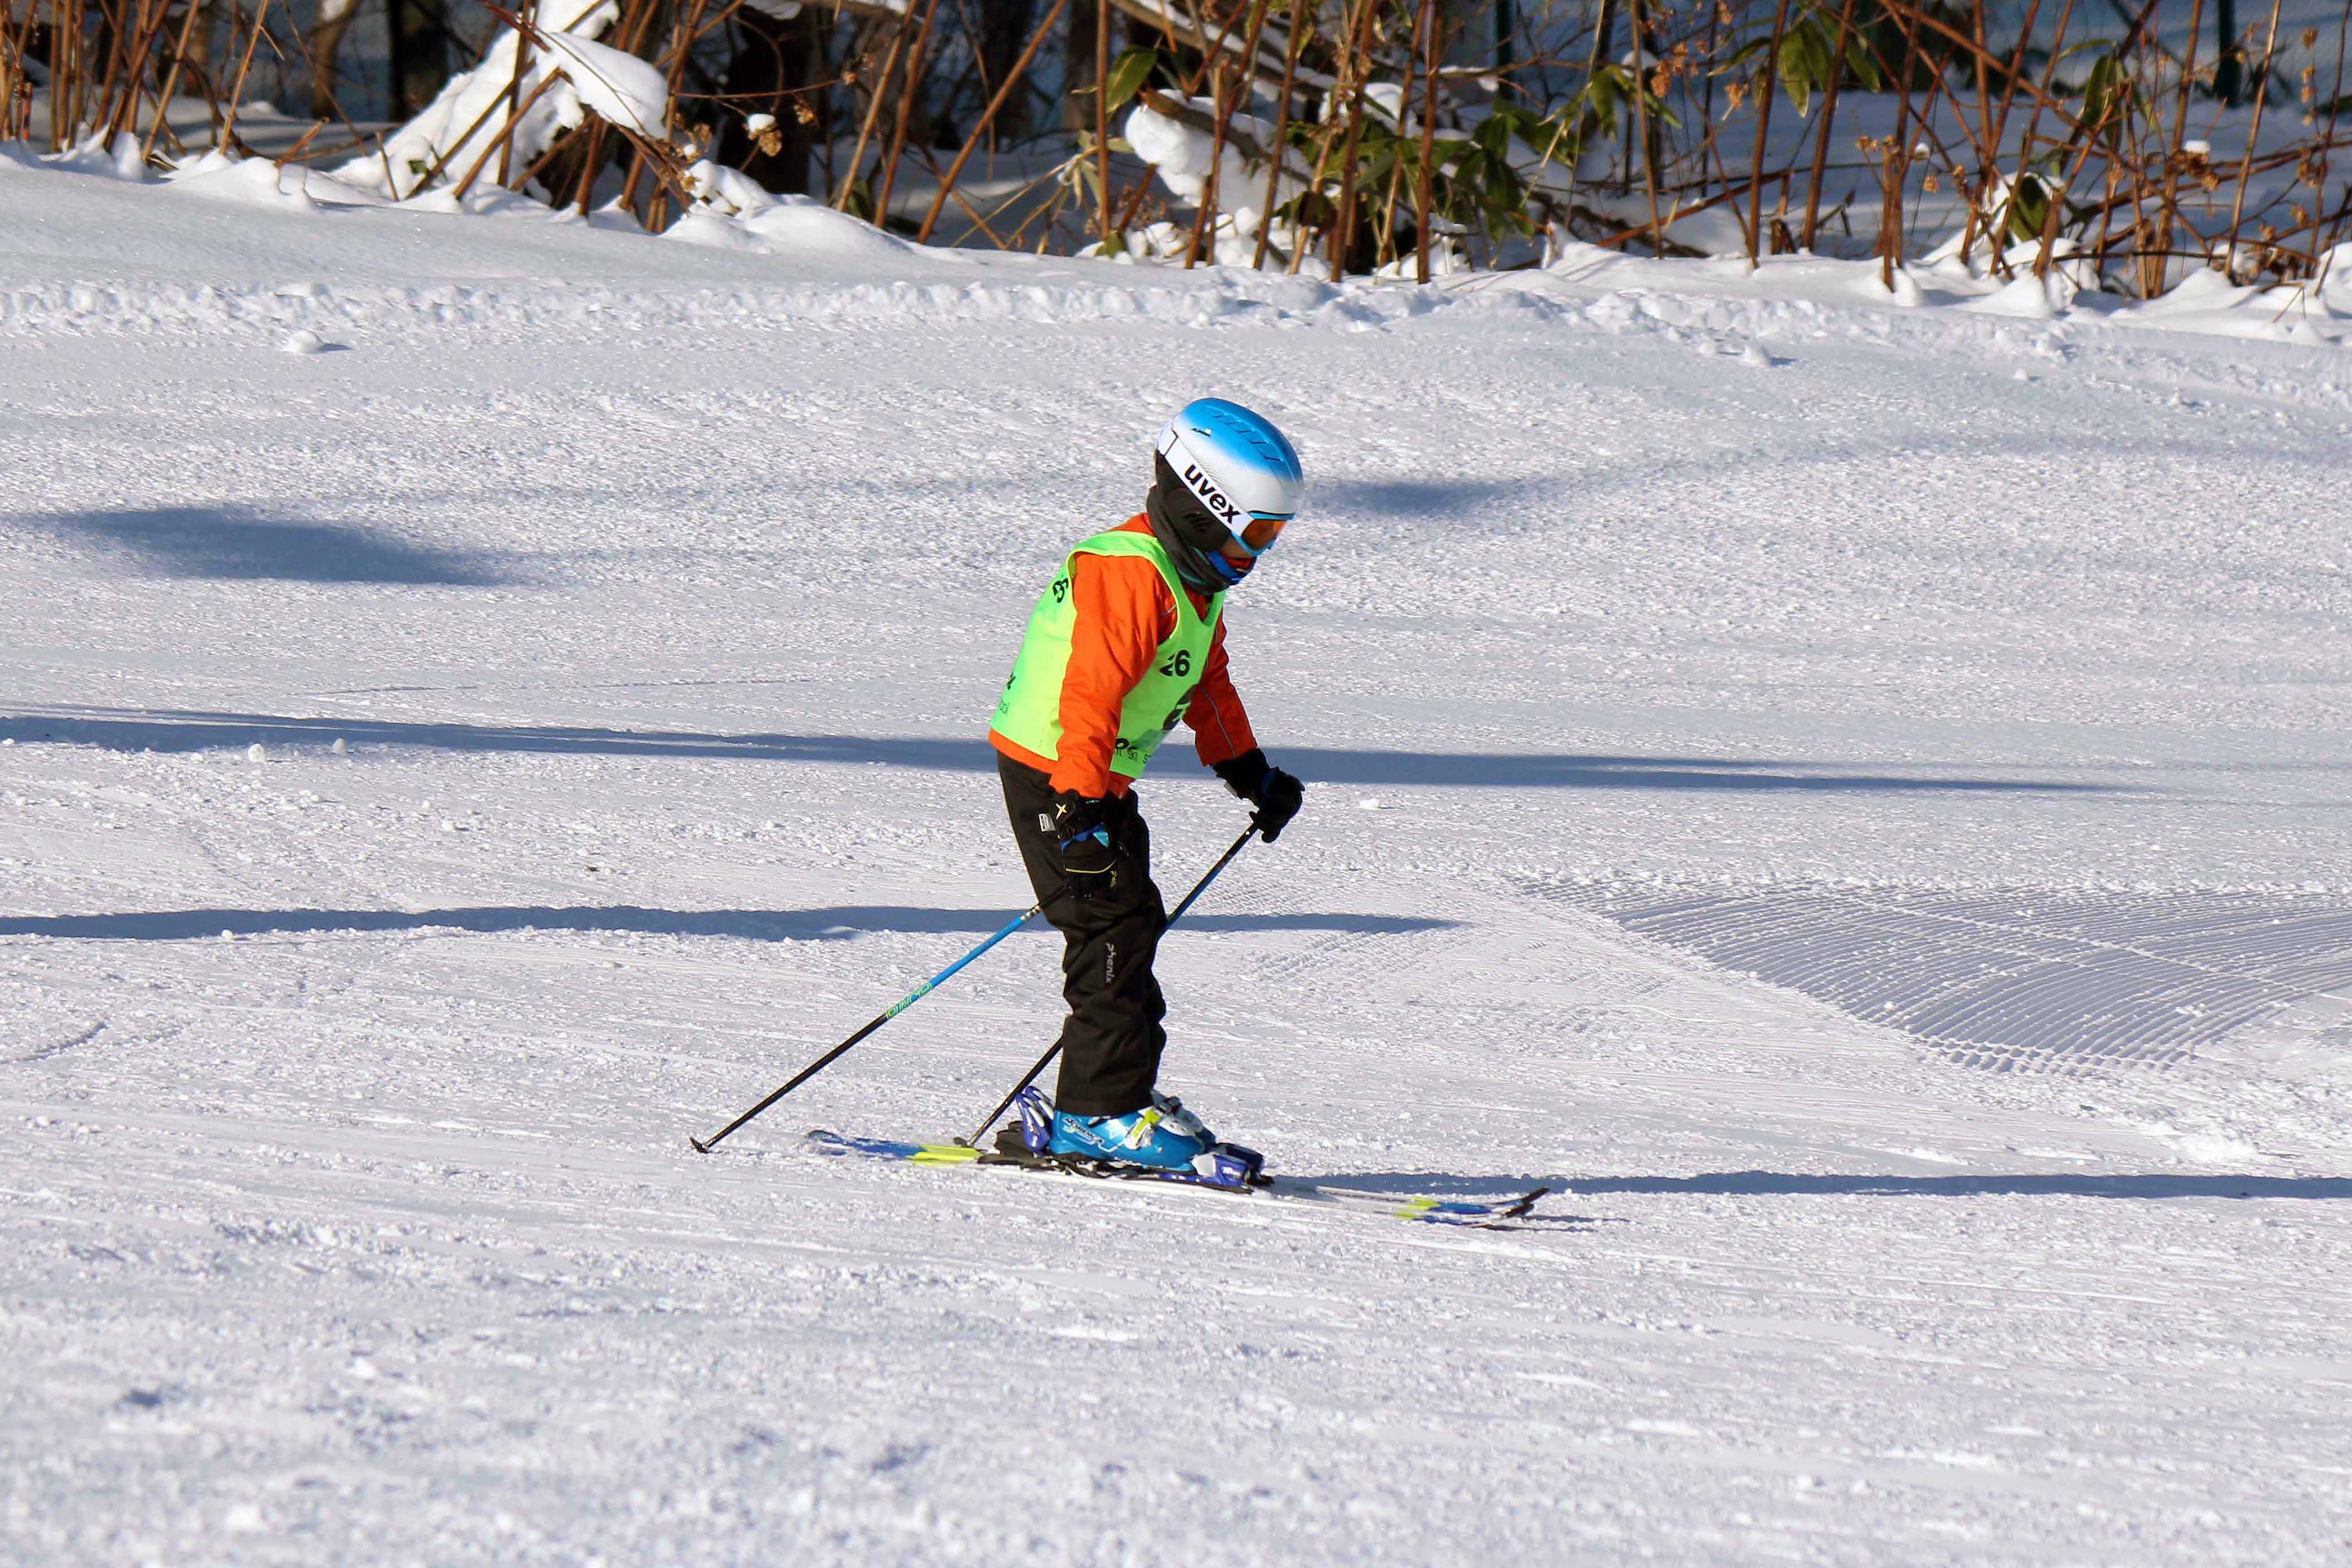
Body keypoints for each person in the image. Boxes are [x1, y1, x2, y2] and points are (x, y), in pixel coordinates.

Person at [987, 398, 1307, 1174]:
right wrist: (1079, 811)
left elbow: (1206, 681)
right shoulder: (1130, 574)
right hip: (1061, 771)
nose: (1260, 553)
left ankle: (1115, 1094)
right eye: (1256, 534)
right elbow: (1090, 695)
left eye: (1274, 536)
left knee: (1131, 925)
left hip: (1092, 777)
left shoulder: (1192, 582)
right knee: (1111, 931)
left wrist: (1249, 770)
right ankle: (1096, 1114)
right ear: (1205, 510)